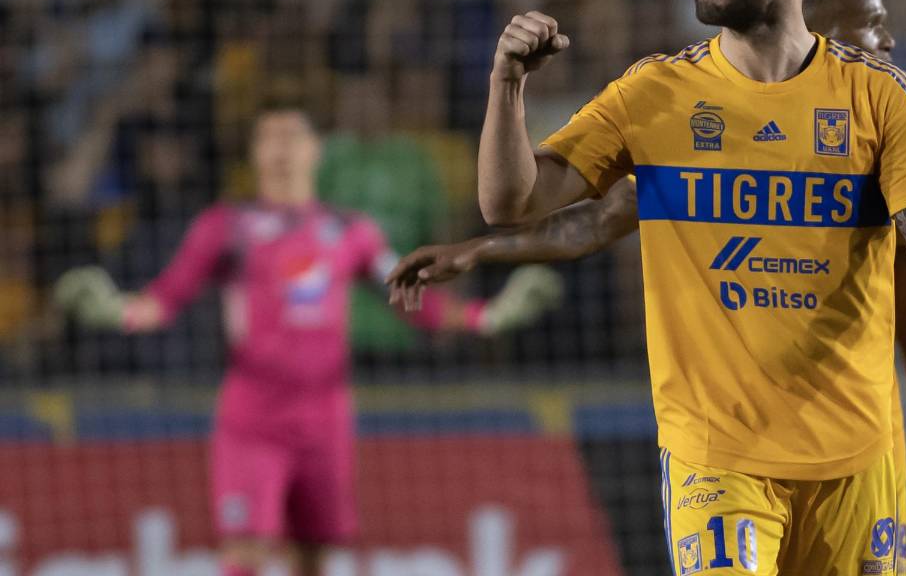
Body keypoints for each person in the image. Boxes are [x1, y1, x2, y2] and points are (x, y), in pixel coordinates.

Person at [462, 0, 906, 574]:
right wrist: (507, 85)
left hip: (857, 456)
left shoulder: (878, 97)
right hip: (716, 454)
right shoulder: (655, 93)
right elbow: (512, 203)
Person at [54, 103, 562, 576]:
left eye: (292, 136)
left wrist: (488, 316)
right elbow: (166, 298)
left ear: (315, 150)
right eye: (269, 138)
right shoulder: (226, 227)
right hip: (253, 419)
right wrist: (114, 309)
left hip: (326, 420)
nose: (280, 148)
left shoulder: (351, 232)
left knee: (314, 560)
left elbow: (412, 299)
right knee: (245, 553)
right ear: (254, 153)